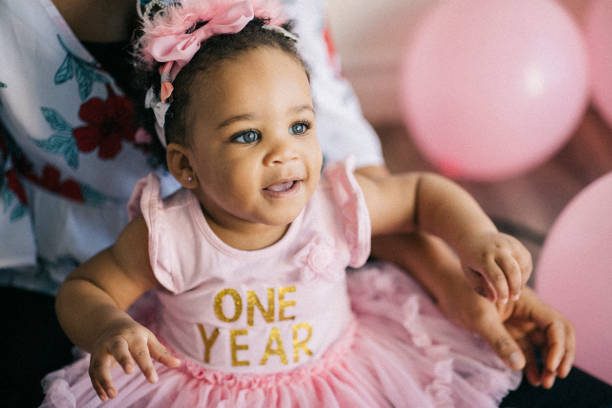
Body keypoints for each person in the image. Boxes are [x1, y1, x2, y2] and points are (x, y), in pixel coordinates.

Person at [0, 0, 593, 406]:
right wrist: (107, 327)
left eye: (300, 128)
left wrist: (473, 244)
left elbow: (418, 195)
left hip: (337, 377)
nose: (285, 155)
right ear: (184, 165)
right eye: (249, 136)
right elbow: (86, 289)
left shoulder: (332, 203)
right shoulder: (168, 233)